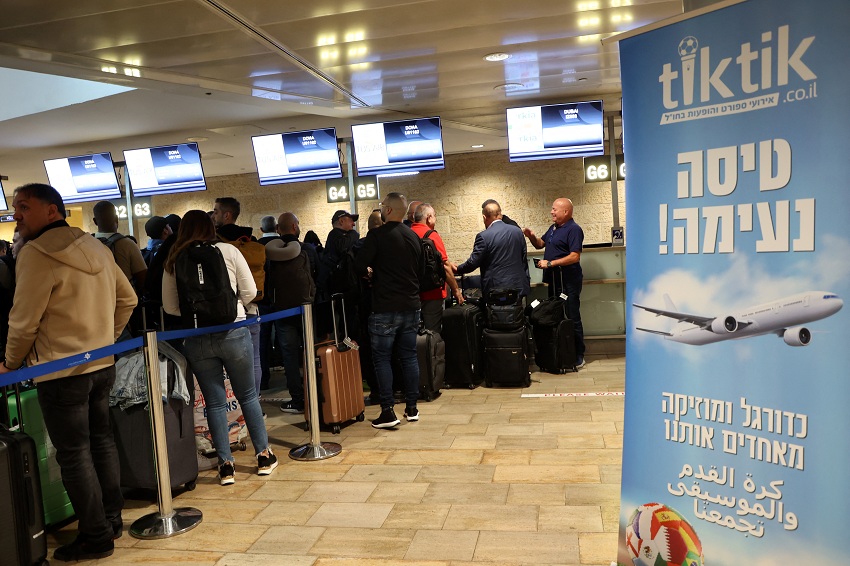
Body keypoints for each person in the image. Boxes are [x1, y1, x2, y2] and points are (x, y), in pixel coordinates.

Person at [0, 183, 137, 561]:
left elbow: (23, 320)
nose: (17, 215)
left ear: (52, 210)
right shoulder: (97, 246)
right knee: (102, 443)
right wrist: (104, 339)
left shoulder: (36, 254)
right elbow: (129, 298)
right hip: (101, 364)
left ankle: (95, 537)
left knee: (74, 454)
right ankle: (110, 521)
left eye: (24, 207)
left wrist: (11, 362)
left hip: (61, 372)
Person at [161, 210, 277, 485]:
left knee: (214, 402)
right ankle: (263, 456)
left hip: (198, 337)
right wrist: (231, 305)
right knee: (247, 395)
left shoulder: (175, 259)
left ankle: (225, 466)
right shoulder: (229, 250)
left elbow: (170, 307)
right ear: (210, 226)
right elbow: (250, 292)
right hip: (234, 330)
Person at [354, 192, 422, 429]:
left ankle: (387, 411)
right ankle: (412, 408)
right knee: (409, 356)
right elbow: (421, 270)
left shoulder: (377, 235)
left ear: (390, 210)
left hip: (384, 307)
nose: (381, 209)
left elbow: (360, 265)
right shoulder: (414, 236)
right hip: (412, 305)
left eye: (383, 206)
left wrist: (372, 273)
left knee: (382, 358)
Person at [523, 197, 586, 368]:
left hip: (568, 281)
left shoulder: (574, 229)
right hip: (553, 280)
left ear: (566, 211)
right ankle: (558, 351)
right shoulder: (553, 228)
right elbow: (540, 244)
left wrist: (550, 263)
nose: (551, 212)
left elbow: (575, 256)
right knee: (553, 313)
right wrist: (531, 236)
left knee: (572, 315)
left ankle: (578, 354)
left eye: (554, 209)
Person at [212, 197, 263, 393]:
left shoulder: (217, 243)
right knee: (255, 359)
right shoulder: (251, 240)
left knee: (228, 366)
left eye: (216, 211)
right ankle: (255, 401)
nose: (213, 215)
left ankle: (235, 410)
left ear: (227, 215)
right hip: (252, 307)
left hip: (227, 312)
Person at [269, 212, 319, 413]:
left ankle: (297, 400)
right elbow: (318, 274)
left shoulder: (270, 253)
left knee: (289, 356)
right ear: (295, 227)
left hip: (281, 311)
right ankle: (317, 396)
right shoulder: (308, 249)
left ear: (278, 230)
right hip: (306, 309)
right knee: (310, 352)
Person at [451, 200, 530, 301]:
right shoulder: (517, 232)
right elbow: (523, 258)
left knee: (497, 316)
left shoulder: (483, 236)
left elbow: (473, 262)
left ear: (484, 217)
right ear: (500, 215)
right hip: (518, 287)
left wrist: (458, 269)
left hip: (496, 290)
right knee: (518, 315)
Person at [410, 203, 463, 332]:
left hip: (411, 294)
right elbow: (444, 266)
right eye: (434, 216)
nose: (435, 219)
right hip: (433, 293)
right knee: (433, 332)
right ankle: (433, 352)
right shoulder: (432, 235)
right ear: (428, 217)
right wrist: (456, 290)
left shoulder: (407, 234)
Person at [92, 200, 147, 292]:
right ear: (117, 218)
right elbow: (143, 277)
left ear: (95, 221)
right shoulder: (128, 244)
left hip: (98, 299)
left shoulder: (87, 244)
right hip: (125, 299)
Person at [256, 214, 281, 390]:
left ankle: (263, 379)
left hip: (262, 300)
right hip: (283, 301)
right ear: (277, 227)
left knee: (261, 342)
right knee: (285, 340)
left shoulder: (256, 247)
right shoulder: (286, 245)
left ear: (262, 230)